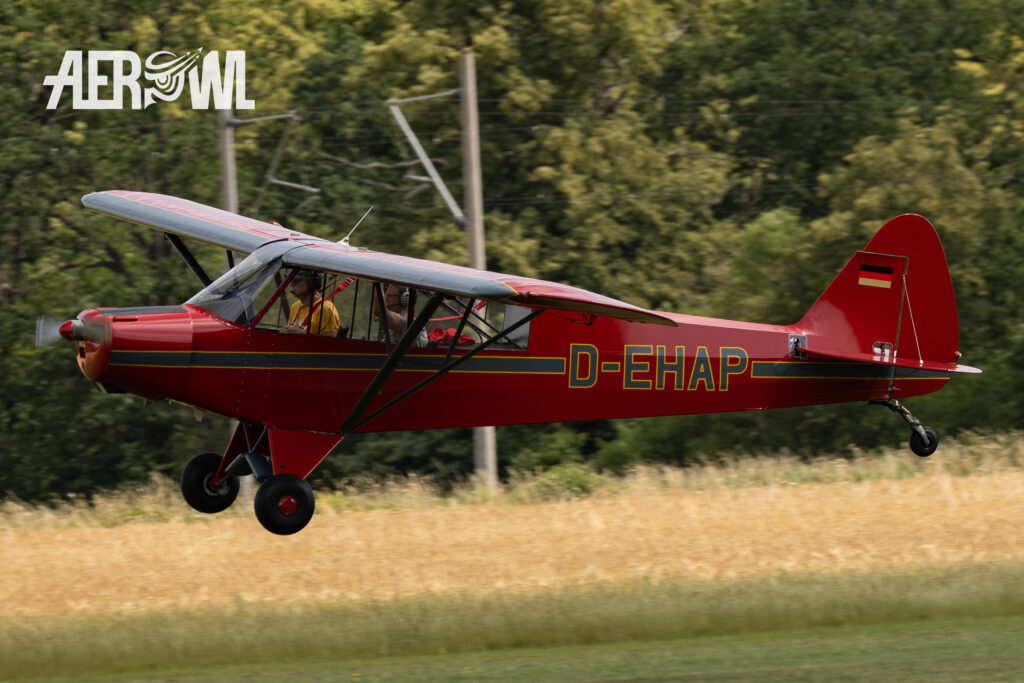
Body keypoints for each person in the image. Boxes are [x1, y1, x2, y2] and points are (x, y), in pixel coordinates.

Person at [282, 270, 340, 336]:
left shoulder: (326, 309)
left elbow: (329, 343)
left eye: (296, 281)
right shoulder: (295, 306)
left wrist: (302, 334)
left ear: (311, 283)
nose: (291, 285)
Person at [372, 282, 428, 347]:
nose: (386, 300)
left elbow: (379, 312)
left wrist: (379, 282)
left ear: (405, 299)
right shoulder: (396, 324)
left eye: (389, 296)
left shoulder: (408, 323)